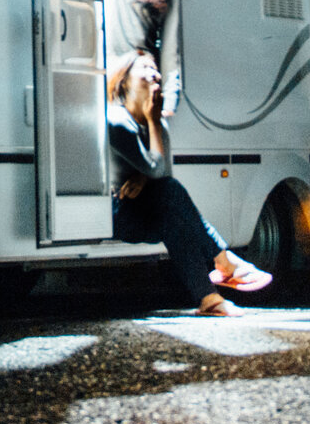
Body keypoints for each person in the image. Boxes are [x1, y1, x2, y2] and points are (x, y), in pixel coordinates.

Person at [110, 50, 273, 315]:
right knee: (170, 194)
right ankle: (224, 260)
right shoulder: (117, 121)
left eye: (156, 68)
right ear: (125, 80)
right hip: (115, 216)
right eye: (145, 68)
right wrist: (152, 126)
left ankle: (210, 299)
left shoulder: (157, 122)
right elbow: (157, 170)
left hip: (142, 214)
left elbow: (161, 174)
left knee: (174, 219)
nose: (156, 74)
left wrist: (143, 175)